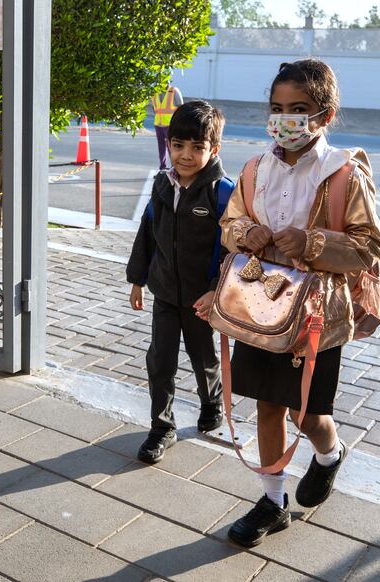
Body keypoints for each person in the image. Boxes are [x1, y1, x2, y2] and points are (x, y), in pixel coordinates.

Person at [219, 59, 380, 547]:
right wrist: (247, 232)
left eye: (299, 109)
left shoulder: (344, 174)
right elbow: (229, 226)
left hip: (315, 315)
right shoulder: (254, 169)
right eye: (277, 108)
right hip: (261, 307)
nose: (285, 119)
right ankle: (272, 502)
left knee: (305, 414)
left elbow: (368, 245)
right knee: (268, 407)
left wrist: (310, 243)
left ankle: (330, 453)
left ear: (325, 115)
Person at [126, 100, 227, 464]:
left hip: (203, 300)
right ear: (168, 144)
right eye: (178, 145)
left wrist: (216, 290)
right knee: (161, 360)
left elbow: (232, 249)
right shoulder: (161, 184)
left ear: (213, 149)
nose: (186, 155)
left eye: (197, 147)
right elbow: (148, 232)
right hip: (165, 293)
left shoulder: (221, 192)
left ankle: (211, 399)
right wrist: (137, 278)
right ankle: (161, 426)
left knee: (204, 358)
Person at [151, 82, 184, 170]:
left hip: (171, 125)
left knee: (172, 147)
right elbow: (154, 109)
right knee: (161, 147)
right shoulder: (155, 93)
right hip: (158, 124)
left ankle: (175, 168)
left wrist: (178, 123)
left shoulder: (174, 91)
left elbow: (181, 108)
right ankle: (162, 167)